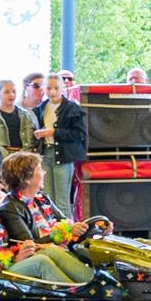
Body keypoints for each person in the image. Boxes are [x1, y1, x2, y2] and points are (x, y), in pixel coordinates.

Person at [0, 153, 94, 282]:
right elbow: (30, 245)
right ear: (27, 178)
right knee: (52, 250)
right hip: (41, 255)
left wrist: (84, 227)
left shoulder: (42, 197)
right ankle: (91, 284)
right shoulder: (10, 208)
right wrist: (62, 233)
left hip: (63, 250)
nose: (44, 172)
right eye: (40, 169)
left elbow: (65, 222)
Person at [46, 69, 86, 218]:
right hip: (45, 154)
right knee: (48, 200)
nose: (52, 92)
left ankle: (67, 231)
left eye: (56, 88)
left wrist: (55, 132)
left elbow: (80, 134)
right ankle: (51, 229)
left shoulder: (72, 107)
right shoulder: (41, 107)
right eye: (49, 88)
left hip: (63, 155)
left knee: (62, 201)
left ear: (63, 88)